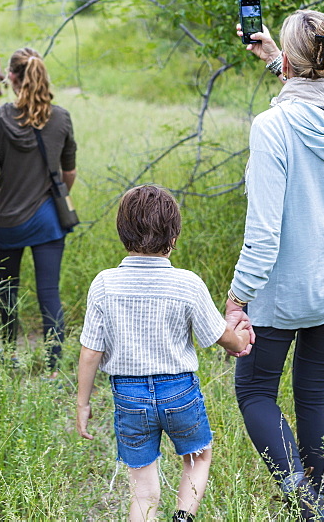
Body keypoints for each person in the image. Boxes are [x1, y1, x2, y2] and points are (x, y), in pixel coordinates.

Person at [226, 10, 324, 520]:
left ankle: (309, 508)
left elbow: (263, 235)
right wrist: (276, 61)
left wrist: (237, 299)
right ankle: (319, 501)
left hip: (282, 293)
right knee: (312, 393)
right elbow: (317, 93)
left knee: (256, 393)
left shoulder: (272, 127)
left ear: (291, 60)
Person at [76, 185, 252, 522]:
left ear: (122, 232)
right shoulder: (187, 283)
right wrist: (241, 339)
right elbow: (221, 337)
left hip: (129, 396)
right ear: (174, 236)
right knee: (198, 457)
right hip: (179, 391)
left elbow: (89, 352)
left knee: (143, 492)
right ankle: (183, 517)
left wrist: (83, 403)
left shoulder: (104, 284)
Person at [0, 48, 76, 373]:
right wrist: (56, 194)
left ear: (12, 77)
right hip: (48, 220)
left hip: (7, 222)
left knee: (7, 291)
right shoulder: (60, 117)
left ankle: (7, 352)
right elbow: (69, 171)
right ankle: (53, 369)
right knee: (50, 293)